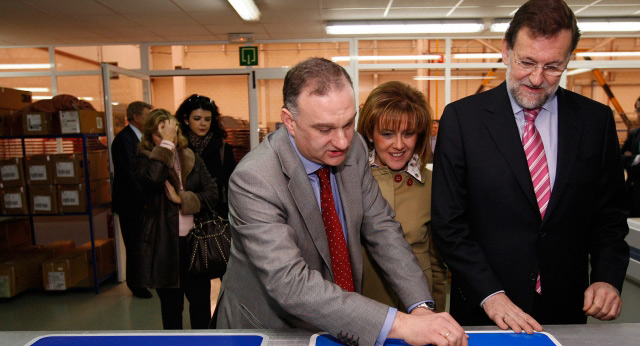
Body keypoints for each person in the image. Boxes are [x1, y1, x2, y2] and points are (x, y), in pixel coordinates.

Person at [215, 58, 466, 346]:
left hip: (341, 323)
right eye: (324, 129)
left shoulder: (355, 149)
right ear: (289, 121)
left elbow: (383, 230)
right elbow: (291, 285)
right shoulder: (255, 179)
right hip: (270, 329)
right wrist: (401, 323)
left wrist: (420, 307)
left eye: (348, 124)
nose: (342, 141)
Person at [432, 0, 630, 334]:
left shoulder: (596, 122)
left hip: (566, 309)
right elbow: (449, 224)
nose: (537, 79)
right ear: (506, 51)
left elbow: (609, 217)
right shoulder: (462, 119)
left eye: (553, 66)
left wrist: (607, 279)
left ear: (568, 59)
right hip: (485, 309)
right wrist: (490, 294)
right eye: (527, 62)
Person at [357, 81, 447, 312]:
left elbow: (437, 261)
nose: (399, 145)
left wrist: (435, 311)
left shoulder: (433, 184)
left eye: (408, 134)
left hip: (418, 308)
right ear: (369, 133)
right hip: (366, 309)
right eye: (387, 134)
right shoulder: (350, 181)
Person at [133, 109, 218, 329]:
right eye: (160, 133)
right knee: (171, 310)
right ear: (150, 135)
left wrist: (182, 199)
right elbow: (152, 180)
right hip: (165, 245)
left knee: (200, 307)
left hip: (195, 244)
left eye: (170, 132)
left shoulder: (191, 157)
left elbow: (212, 194)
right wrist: (166, 147)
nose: (167, 137)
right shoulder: (144, 159)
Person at [110, 101, 153, 299]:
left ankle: (145, 279)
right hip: (131, 204)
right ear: (136, 117)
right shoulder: (123, 140)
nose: (150, 119)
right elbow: (129, 174)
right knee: (134, 245)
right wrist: (144, 198)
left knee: (144, 244)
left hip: (142, 202)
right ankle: (136, 285)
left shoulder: (144, 139)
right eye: (147, 115)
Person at [175, 94, 236, 218]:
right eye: (197, 119)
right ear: (186, 120)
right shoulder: (178, 148)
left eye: (207, 119)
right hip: (183, 213)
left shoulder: (223, 149)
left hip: (215, 216)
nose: (203, 124)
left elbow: (230, 185)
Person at [620, 96, 640, 217]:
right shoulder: (634, 134)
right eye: (638, 110)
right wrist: (636, 159)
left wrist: (630, 158)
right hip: (633, 193)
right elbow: (618, 159)